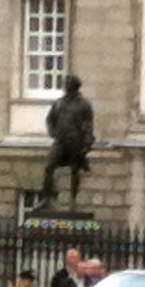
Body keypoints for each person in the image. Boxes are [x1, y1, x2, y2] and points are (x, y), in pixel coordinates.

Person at [41, 75, 96, 206]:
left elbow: (88, 124)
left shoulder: (84, 104)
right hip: (60, 140)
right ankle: (47, 198)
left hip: (76, 141)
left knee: (74, 170)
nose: (65, 87)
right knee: (49, 167)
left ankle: (73, 199)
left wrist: (87, 142)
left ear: (74, 87)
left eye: (67, 84)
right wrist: (53, 132)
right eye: (65, 84)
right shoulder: (59, 103)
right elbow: (50, 119)